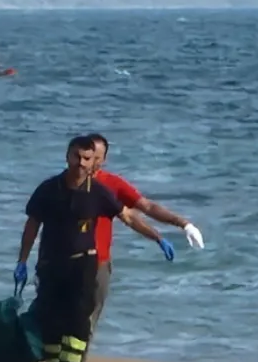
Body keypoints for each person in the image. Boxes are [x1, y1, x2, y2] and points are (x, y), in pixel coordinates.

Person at [16, 136, 167, 362]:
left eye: (87, 158)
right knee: (51, 316)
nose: (81, 163)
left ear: (93, 161)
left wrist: (158, 238)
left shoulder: (99, 192)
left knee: (79, 316)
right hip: (51, 264)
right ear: (67, 156)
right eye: (76, 156)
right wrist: (22, 261)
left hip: (83, 263)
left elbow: (128, 217)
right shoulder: (48, 189)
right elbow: (32, 226)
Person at [87, 133, 205, 338]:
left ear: (104, 159)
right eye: (89, 157)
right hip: (62, 260)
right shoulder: (61, 184)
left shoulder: (111, 184)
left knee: (87, 322)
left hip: (98, 262)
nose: (92, 163)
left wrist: (182, 225)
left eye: (98, 158)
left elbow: (143, 209)